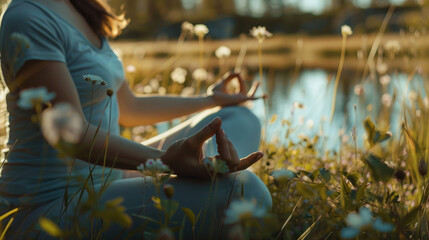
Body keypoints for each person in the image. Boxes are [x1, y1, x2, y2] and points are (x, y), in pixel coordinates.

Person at [0, 0, 272, 238]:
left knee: (239, 117)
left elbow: (130, 108)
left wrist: (211, 99)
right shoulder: (27, 17)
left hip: (115, 178)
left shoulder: (82, 7)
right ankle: (205, 178)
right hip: (51, 207)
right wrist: (164, 162)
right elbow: (72, 133)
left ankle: (207, 169)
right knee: (246, 194)